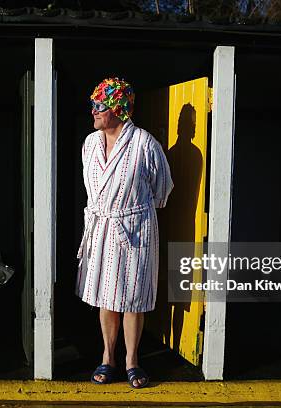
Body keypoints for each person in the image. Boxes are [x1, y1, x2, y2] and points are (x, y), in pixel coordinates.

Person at [76, 77, 173, 388]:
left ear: (118, 108)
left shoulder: (145, 144)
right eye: (92, 104)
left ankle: (132, 360)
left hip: (134, 229)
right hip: (101, 226)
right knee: (106, 296)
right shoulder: (90, 143)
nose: (93, 110)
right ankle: (108, 357)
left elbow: (162, 190)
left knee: (132, 298)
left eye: (99, 105)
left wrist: (130, 210)